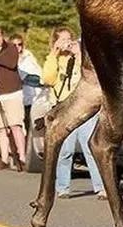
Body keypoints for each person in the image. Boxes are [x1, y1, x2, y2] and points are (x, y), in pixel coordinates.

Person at [42, 27, 105, 200]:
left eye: (69, 39)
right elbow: (48, 78)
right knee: (64, 150)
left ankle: (101, 187)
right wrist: (54, 54)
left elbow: (91, 78)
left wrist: (78, 55)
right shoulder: (55, 59)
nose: (67, 44)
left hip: (84, 107)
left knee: (91, 148)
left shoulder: (81, 58)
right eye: (62, 40)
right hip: (65, 109)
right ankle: (63, 187)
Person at [0, 25, 27, 171]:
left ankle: (22, 157)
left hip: (13, 92)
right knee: (1, 129)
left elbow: (11, 63)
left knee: (15, 126)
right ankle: (4, 158)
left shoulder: (11, 48)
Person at [10, 33, 41, 132]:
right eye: (14, 45)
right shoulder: (8, 60)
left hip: (31, 99)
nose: (17, 47)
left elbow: (38, 77)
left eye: (20, 44)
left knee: (29, 127)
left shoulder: (28, 57)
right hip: (15, 98)